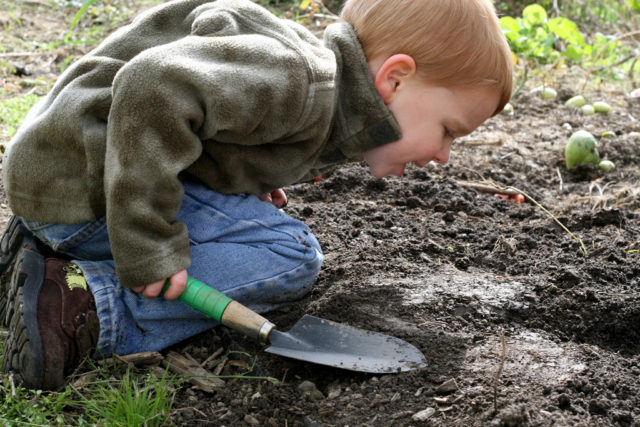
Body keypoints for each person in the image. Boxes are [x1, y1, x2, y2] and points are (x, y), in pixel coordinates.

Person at [0, 0, 512, 390]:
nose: (444, 155)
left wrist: (241, 176)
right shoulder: (300, 82)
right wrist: (147, 240)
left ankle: (42, 254)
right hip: (83, 189)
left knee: (266, 229)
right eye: (448, 130)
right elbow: (151, 84)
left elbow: (202, 113)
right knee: (288, 251)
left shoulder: (306, 80)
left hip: (60, 177)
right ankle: (76, 308)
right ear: (395, 80)